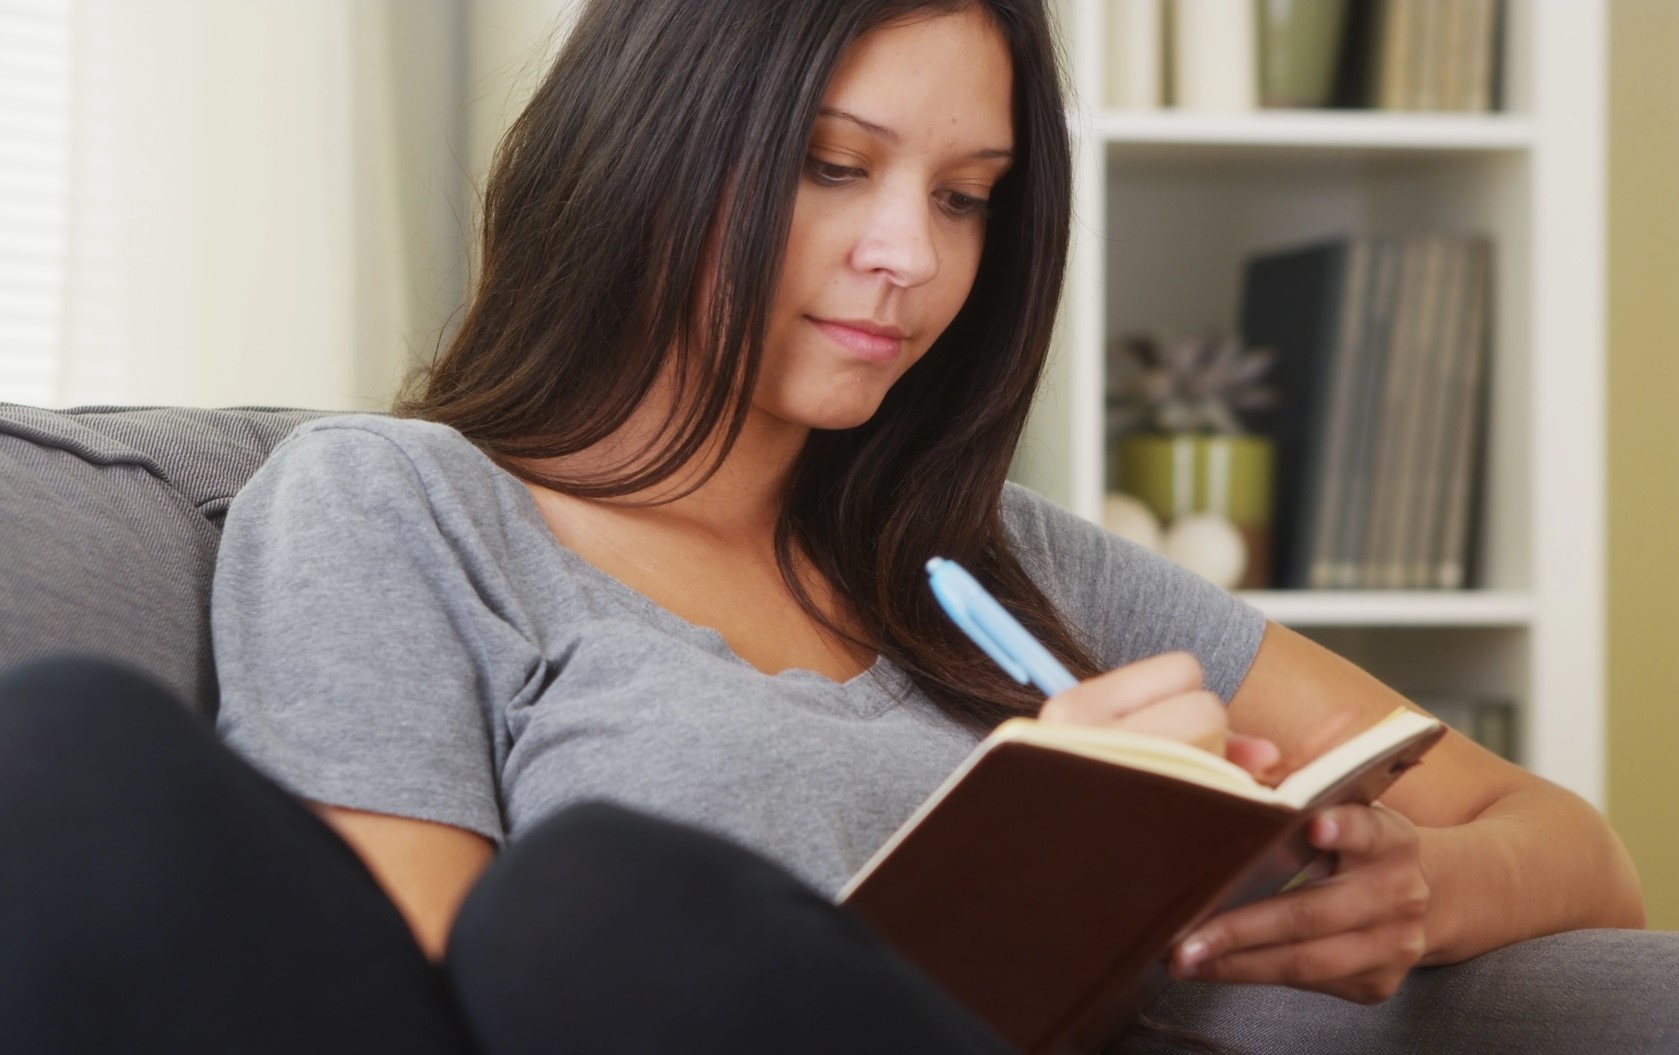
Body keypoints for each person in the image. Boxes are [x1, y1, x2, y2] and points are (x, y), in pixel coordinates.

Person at [0, 1, 1646, 1052]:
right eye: (831, 166)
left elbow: (1580, 845)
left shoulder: (1009, 560)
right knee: (80, 745)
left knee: (614, 903)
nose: (910, 261)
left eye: (964, 195)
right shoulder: (399, 506)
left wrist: (1420, 893)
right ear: (649, 155)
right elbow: (417, 992)